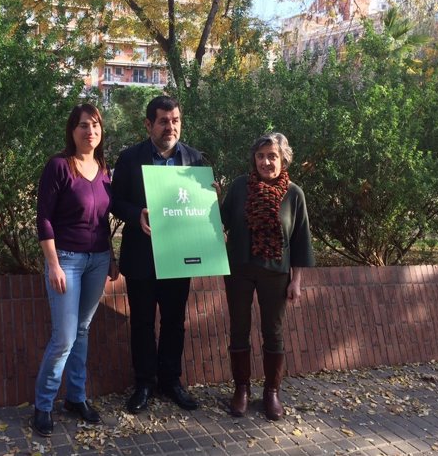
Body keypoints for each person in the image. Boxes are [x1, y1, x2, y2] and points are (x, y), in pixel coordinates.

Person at [111, 95, 203, 414]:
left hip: (179, 255)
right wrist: (136, 214)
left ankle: (171, 380)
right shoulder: (129, 158)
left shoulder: (195, 160)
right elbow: (115, 201)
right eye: (163, 120)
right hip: (141, 256)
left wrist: (210, 198)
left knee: (175, 321)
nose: (170, 126)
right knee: (142, 322)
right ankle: (144, 383)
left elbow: (201, 206)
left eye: (175, 120)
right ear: (149, 124)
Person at [32, 103, 119, 437]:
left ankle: (76, 397)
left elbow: (103, 220)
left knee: (82, 330)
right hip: (65, 259)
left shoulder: (103, 168)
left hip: (97, 260)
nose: (90, 131)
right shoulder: (59, 166)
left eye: (95, 125)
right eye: (83, 125)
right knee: (64, 337)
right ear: (72, 131)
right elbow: (44, 218)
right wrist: (53, 263)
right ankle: (43, 404)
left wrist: (110, 256)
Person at [220, 132, 314, 420]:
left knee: (273, 332)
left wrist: (296, 282)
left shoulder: (294, 194)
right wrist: (208, 198)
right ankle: (242, 389)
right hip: (239, 270)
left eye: (272, 156)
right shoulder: (239, 188)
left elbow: (300, 242)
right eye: (260, 156)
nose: (266, 161)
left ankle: (271, 392)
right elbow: (219, 223)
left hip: (276, 273)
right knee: (239, 328)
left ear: (283, 158)